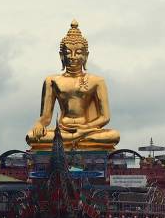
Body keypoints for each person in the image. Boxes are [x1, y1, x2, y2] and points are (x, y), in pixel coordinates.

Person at [27, 20, 120, 149]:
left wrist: (85, 128)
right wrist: (39, 125)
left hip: (88, 130)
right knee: (31, 136)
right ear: (61, 56)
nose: (73, 57)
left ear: (86, 56)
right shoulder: (52, 81)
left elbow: (105, 117)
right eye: (68, 52)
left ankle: (71, 140)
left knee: (113, 135)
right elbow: (45, 117)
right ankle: (73, 139)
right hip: (62, 130)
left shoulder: (97, 81)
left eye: (78, 52)